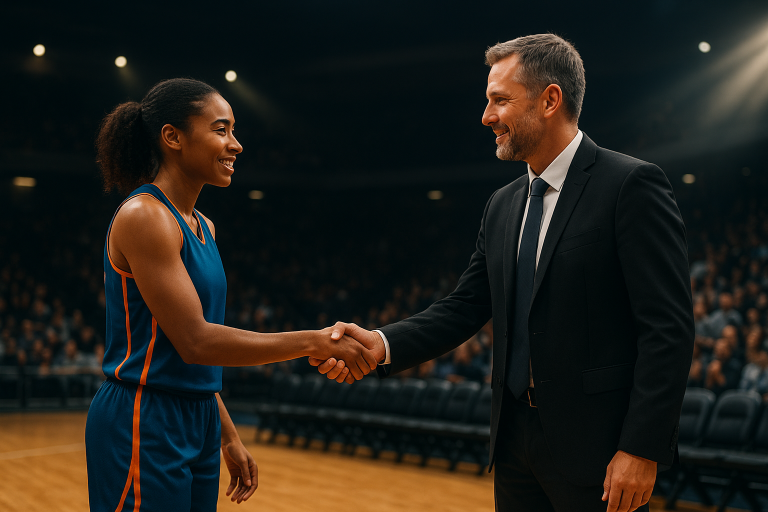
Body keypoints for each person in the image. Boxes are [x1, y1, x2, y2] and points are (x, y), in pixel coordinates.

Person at [312, 34, 694, 512]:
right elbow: (466, 305)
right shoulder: (502, 203)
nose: (487, 116)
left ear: (550, 99)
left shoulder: (630, 185)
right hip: (513, 439)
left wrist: (641, 447)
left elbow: (669, 329)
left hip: (597, 449)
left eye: (499, 100)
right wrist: (383, 343)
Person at [85, 78, 377, 512]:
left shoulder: (204, 225)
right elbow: (197, 341)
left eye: (233, 130)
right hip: (143, 415)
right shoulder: (145, 215)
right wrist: (313, 341)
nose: (235, 144)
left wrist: (226, 434)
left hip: (198, 415)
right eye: (221, 130)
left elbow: (197, 358)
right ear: (173, 138)